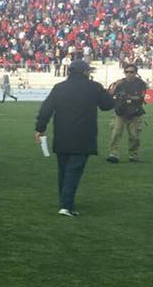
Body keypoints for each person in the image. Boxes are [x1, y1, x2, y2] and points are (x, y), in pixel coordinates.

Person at [35, 59, 115, 217]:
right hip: (83, 136)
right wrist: (110, 94)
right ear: (85, 72)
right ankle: (66, 206)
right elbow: (106, 105)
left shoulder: (59, 87)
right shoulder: (94, 87)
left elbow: (46, 109)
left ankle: (64, 201)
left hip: (62, 135)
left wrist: (40, 128)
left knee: (63, 171)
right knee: (74, 171)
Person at [106, 63, 146, 163]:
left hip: (135, 112)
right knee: (116, 133)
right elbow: (110, 94)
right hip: (120, 111)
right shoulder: (120, 82)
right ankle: (113, 154)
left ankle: (133, 155)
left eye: (131, 72)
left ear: (136, 73)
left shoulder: (141, 83)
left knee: (134, 136)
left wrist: (128, 97)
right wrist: (116, 86)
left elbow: (141, 98)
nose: (128, 74)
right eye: (126, 72)